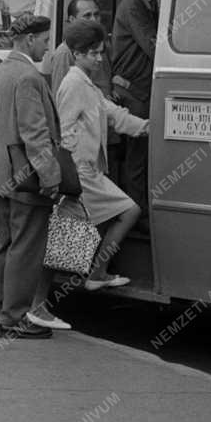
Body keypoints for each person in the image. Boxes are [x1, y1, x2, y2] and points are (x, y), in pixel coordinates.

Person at [0, 12, 68, 339]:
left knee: (4, 244)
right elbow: (34, 134)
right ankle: (15, 317)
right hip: (26, 179)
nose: (47, 49)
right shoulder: (29, 78)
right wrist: (51, 176)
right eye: (45, 41)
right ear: (29, 39)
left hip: (2, 175)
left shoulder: (0, 72)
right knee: (26, 249)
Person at [56, 20, 144, 287]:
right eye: (92, 53)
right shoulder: (74, 84)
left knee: (76, 233)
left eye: (100, 52)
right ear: (77, 54)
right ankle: (96, 273)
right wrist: (73, 171)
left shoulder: (85, 83)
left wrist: (144, 127)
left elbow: (109, 111)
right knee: (129, 211)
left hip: (86, 170)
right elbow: (66, 129)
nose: (98, 58)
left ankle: (91, 275)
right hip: (82, 171)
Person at [110, 0, 163, 219]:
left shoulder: (145, 3)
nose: (101, 56)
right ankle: (135, 213)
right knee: (137, 157)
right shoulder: (134, 5)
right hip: (136, 90)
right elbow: (151, 45)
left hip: (80, 192)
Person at [42, 0, 112, 96]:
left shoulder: (102, 44)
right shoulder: (65, 52)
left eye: (96, 14)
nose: (94, 19)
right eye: (87, 15)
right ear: (72, 19)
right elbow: (60, 97)